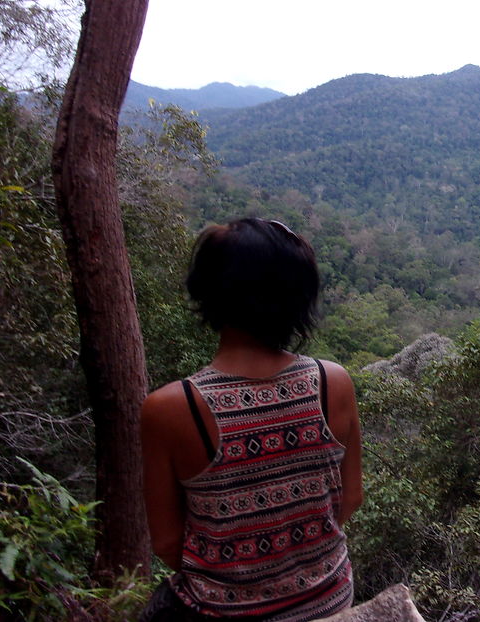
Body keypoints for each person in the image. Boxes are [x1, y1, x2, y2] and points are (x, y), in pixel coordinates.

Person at [140, 218, 362, 621]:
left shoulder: (171, 408)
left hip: (225, 609)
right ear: (298, 299)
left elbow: (168, 544)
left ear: (207, 291)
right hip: (329, 598)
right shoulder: (333, 382)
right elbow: (351, 498)